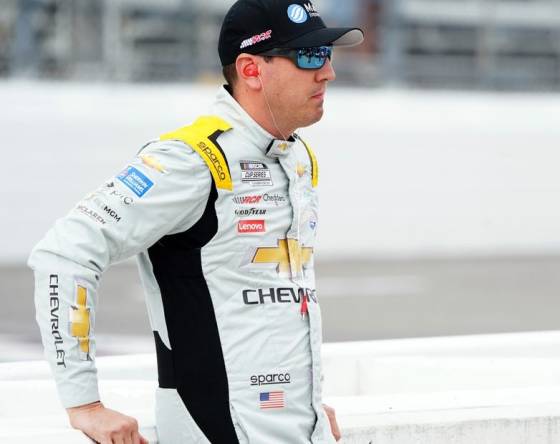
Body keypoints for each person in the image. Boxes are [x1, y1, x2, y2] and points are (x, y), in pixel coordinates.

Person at [28, 1, 363, 442]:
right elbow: (63, 253)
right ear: (251, 69)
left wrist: (303, 406)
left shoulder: (296, 156)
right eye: (309, 56)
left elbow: (265, 302)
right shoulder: (190, 159)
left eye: (327, 54)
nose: (327, 72)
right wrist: (84, 403)